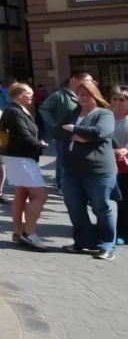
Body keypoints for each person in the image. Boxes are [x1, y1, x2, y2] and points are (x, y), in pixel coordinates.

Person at [60, 80, 119, 260]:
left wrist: (75, 130)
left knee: (101, 207)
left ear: (95, 96)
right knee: (75, 208)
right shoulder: (72, 112)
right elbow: (56, 131)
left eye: (87, 94)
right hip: (72, 171)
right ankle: (84, 242)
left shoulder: (105, 114)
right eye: (80, 94)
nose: (83, 97)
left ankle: (107, 245)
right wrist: (79, 134)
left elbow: (100, 132)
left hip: (98, 170)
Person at [0, 83, 49, 251]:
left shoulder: (16, 110)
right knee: (40, 195)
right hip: (21, 158)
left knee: (21, 194)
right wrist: (41, 144)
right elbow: (23, 135)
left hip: (17, 157)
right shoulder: (14, 111)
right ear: (19, 95)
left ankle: (17, 232)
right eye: (29, 93)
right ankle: (29, 233)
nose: (32, 96)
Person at [39, 70, 94, 193]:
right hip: (64, 134)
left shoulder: (86, 94)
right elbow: (43, 109)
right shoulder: (59, 95)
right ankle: (62, 185)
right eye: (86, 81)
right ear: (73, 80)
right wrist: (56, 125)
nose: (89, 84)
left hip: (83, 132)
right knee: (63, 159)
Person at [108, 86, 128, 245]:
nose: (117, 102)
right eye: (114, 98)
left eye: (122, 99)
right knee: (114, 200)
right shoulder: (105, 117)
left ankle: (123, 232)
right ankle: (115, 230)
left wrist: (125, 150)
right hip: (109, 164)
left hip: (126, 165)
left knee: (125, 200)